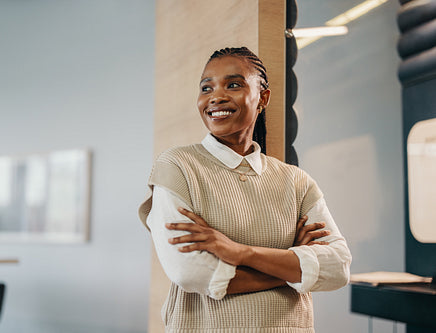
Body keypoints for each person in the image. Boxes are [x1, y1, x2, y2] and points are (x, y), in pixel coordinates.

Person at [139, 47, 352, 332]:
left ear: (262, 98)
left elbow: (338, 267)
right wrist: (291, 265)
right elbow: (189, 271)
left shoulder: (296, 181)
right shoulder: (177, 166)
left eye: (234, 84)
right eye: (206, 87)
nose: (216, 96)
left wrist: (242, 253)